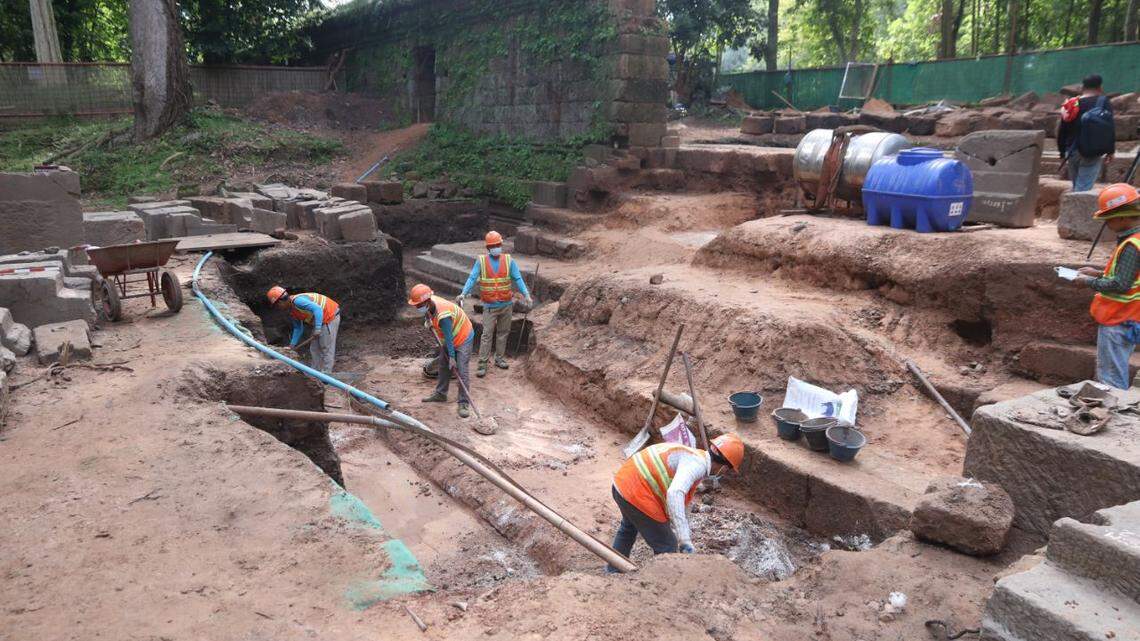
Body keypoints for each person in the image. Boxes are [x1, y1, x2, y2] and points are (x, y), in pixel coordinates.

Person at [605, 434, 744, 572]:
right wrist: (684, 540)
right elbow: (675, 493)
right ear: (725, 468)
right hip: (637, 494)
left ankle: (613, 571)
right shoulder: (697, 465)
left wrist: (684, 530)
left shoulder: (693, 455)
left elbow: (681, 503)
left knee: (628, 528)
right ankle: (661, 587)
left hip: (622, 484)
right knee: (668, 546)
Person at [1072, 184, 1140, 389]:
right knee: (1115, 369)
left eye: (1109, 218)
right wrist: (1098, 273)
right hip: (1129, 318)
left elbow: (1120, 284)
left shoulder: (1131, 246)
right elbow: (1127, 275)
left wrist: (1088, 282)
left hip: (1118, 319)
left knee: (1111, 378)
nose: (1107, 224)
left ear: (1122, 217)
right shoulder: (1134, 240)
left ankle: (1115, 413)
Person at [457, 231, 532, 378]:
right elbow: (472, 278)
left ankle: (499, 358)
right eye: (493, 245)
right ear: (488, 247)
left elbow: (518, 279)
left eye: (498, 245)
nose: (496, 247)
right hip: (490, 306)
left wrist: (526, 295)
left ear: (501, 245)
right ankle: (482, 364)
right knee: (486, 335)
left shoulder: (509, 260)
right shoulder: (482, 261)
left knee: (503, 333)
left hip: (506, 305)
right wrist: (463, 293)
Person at [410, 283, 475, 418]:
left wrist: (452, 357)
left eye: (418, 305)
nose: (416, 307)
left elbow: (449, 337)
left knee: (461, 369)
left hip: (463, 336)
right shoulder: (430, 303)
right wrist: (428, 319)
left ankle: (463, 402)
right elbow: (429, 313)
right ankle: (441, 394)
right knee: (443, 365)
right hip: (451, 336)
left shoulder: (443, 315)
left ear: (426, 302)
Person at [1058, 74, 1116, 192]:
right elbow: (1109, 128)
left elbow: (1062, 129)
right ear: (1100, 87)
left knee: (1077, 188)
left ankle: (1072, 208)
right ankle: (1076, 210)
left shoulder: (1072, 103)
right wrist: (1110, 151)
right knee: (1083, 190)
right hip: (1092, 151)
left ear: (1083, 87)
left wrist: (1062, 152)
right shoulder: (1103, 102)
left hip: (1072, 150)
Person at [267, 286, 340, 374]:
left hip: (329, 316)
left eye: (277, 305)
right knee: (314, 348)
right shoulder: (292, 310)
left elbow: (317, 309)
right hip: (321, 320)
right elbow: (298, 328)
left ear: (281, 300)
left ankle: (326, 375)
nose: (278, 307)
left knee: (326, 347)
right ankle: (315, 373)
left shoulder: (298, 301)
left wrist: (317, 328)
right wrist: (292, 345)